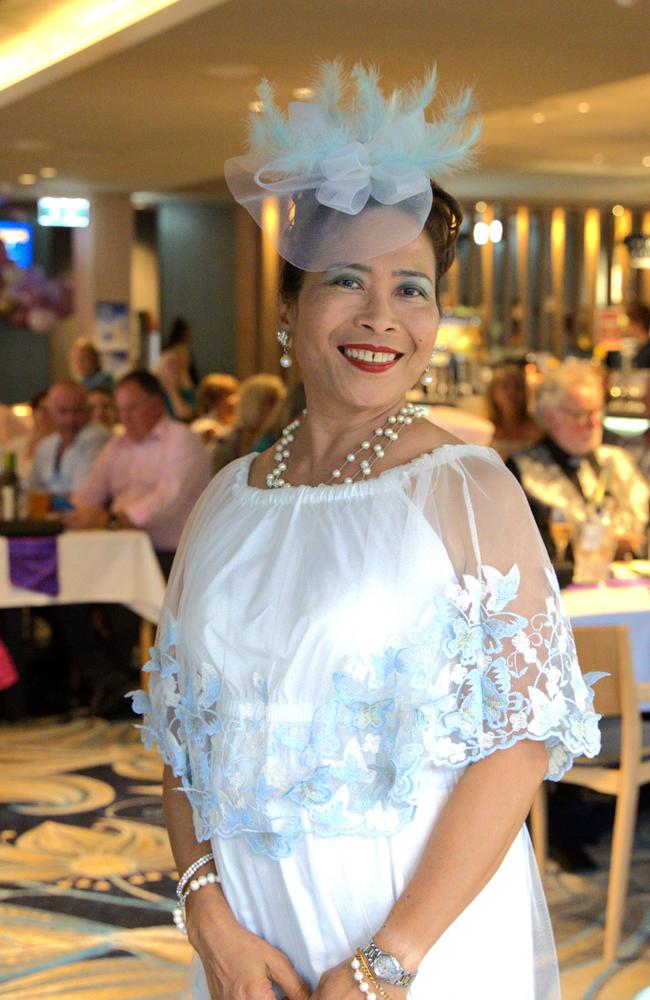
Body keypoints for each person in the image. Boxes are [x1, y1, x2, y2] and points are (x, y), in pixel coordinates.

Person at [131, 65, 599, 1000]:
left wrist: (391, 961)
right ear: (291, 311)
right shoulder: (227, 497)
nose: (383, 317)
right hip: (248, 938)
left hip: (410, 938)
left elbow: (516, 749)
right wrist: (210, 921)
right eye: (347, 281)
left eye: (413, 289)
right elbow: (184, 742)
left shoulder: (466, 488)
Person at [69, 369, 210, 577]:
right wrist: (75, 513)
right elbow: (91, 489)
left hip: (171, 555)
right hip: (119, 547)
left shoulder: (182, 440)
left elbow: (167, 500)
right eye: (120, 409)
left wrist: (113, 520)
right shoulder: (117, 445)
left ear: (157, 403)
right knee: (69, 581)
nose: (124, 417)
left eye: (132, 408)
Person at [507, 357, 649, 561]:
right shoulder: (522, 469)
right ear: (549, 415)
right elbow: (520, 549)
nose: (592, 423)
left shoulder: (618, 460)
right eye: (578, 415)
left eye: (597, 412)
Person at [29, 381, 110, 497]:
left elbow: (82, 494)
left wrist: (47, 500)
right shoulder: (45, 447)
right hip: (47, 514)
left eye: (77, 410)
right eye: (63, 411)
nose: (70, 419)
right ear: (51, 412)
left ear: (88, 411)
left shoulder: (97, 438)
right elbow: (33, 493)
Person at [212, 373, 286, 472]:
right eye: (271, 402)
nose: (278, 407)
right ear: (254, 404)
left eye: (278, 401)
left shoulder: (280, 435)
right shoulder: (229, 443)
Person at [486, 363, 542, 460]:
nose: (512, 392)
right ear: (493, 392)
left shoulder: (538, 430)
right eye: (505, 386)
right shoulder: (484, 428)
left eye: (517, 387)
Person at [6, 390, 54, 486]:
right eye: (41, 409)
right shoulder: (15, 445)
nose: (45, 414)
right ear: (33, 412)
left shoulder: (60, 446)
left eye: (50, 410)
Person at [191, 373, 240, 447]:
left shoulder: (235, 422)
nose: (235, 400)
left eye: (234, 393)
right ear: (213, 401)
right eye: (228, 394)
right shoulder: (205, 427)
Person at [157, 348, 198, 422]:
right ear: (160, 369)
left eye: (177, 366)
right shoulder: (153, 392)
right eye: (169, 366)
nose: (173, 371)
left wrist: (172, 390)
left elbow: (184, 416)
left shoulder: (189, 393)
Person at [167, 316, 199, 386]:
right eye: (188, 331)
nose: (190, 334)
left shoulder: (171, 351)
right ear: (183, 333)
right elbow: (184, 375)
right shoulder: (181, 350)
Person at [629, 304, 650, 368]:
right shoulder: (643, 347)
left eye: (631, 323)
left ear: (638, 324)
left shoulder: (647, 352)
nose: (629, 327)